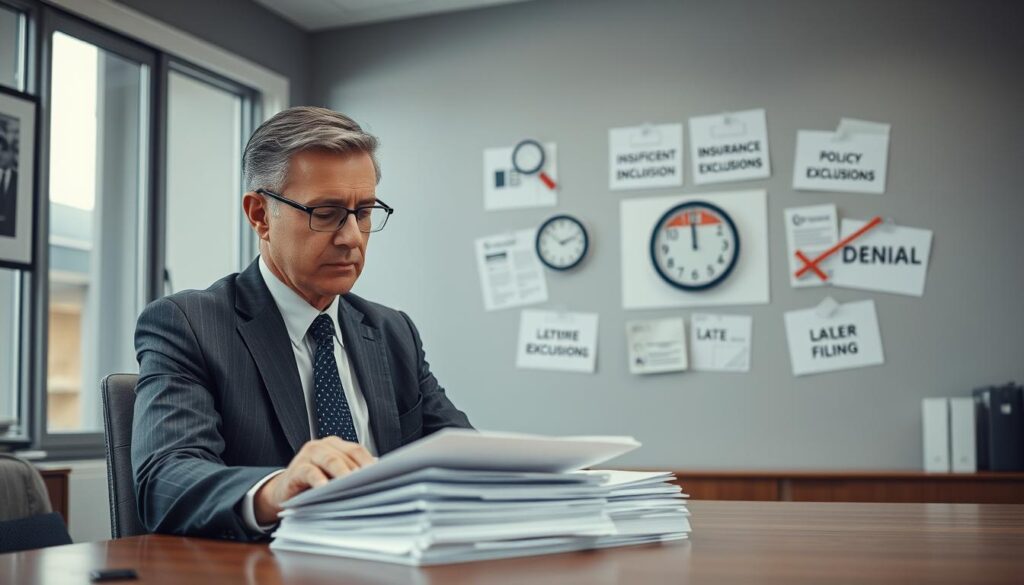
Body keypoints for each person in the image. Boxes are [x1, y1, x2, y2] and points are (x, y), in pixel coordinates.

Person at [132, 106, 473, 541]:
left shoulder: (392, 332)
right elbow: (165, 478)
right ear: (259, 214)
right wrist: (277, 490)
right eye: (326, 213)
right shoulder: (189, 324)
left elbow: (460, 453)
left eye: (364, 212)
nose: (351, 237)